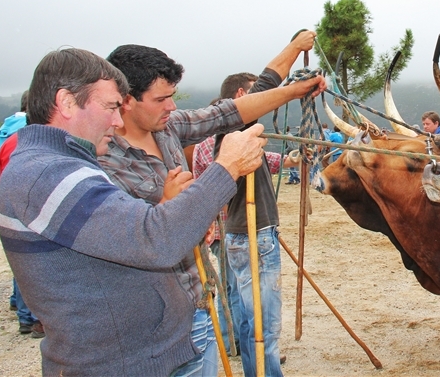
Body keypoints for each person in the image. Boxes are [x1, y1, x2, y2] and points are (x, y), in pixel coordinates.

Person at [0, 48, 268, 376]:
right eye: (111, 107)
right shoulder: (49, 174)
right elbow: (155, 240)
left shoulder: (56, 165)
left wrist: (183, 214)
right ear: (67, 102)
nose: (116, 119)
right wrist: (227, 167)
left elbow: (133, 234)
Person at [98, 33, 321, 377]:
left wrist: (295, 91)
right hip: (152, 321)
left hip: (197, 298)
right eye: (162, 99)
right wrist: (175, 206)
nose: (172, 106)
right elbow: (140, 237)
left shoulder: (168, 128)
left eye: (172, 97)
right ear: (125, 100)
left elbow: (228, 112)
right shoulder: (104, 160)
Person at [213, 48, 319, 377]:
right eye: (257, 95)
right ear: (242, 97)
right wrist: (298, 53)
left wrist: (297, 156)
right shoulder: (233, 129)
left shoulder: (239, 139)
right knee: (265, 329)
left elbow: (274, 161)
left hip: (245, 234)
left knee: (250, 320)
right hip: (253, 235)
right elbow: (265, 91)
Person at [0, 91, 43, 338]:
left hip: (7, 201)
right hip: (28, 203)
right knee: (32, 261)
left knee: (19, 259)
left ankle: (19, 307)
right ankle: (30, 318)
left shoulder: (7, 134)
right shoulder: (28, 139)